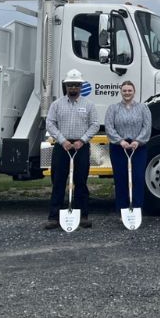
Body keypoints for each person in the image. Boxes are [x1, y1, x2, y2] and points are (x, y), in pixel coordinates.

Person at [45, 68, 100, 229]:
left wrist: (82, 141)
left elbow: (95, 124)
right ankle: (54, 217)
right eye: (70, 85)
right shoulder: (56, 105)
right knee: (58, 181)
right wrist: (62, 141)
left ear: (81, 86)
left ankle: (82, 215)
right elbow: (50, 123)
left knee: (81, 181)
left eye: (76, 85)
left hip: (80, 147)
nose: (73, 88)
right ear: (66, 86)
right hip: (62, 147)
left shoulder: (88, 105)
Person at [105, 79, 152, 220]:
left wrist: (138, 141)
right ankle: (122, 210)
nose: (127, 93)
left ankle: (137, 209)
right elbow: (109, 127)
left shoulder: (143, 108)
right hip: (119, 148)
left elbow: (147, 126)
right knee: (121, 179)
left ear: (134, 92)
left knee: (137, 178)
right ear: (121, 91)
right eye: (124, 90)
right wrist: (120, 141)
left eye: (129, 90)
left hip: (138, 147)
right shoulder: (113, 108)